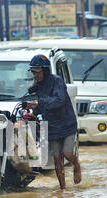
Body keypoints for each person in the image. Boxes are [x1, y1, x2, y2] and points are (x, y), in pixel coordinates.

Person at [27, 54, 82, 188]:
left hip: (67, 124)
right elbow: (40, 107)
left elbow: (59, 100)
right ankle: (62, 188)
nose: (36, 75)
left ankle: (77, 165)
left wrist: (39, 103)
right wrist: (33, 112)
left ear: (45, 70)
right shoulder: (37, 87)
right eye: (33, 72)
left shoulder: (57, 81)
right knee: (57, 159)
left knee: (67, 154)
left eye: (37, 72)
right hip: (52, 126)